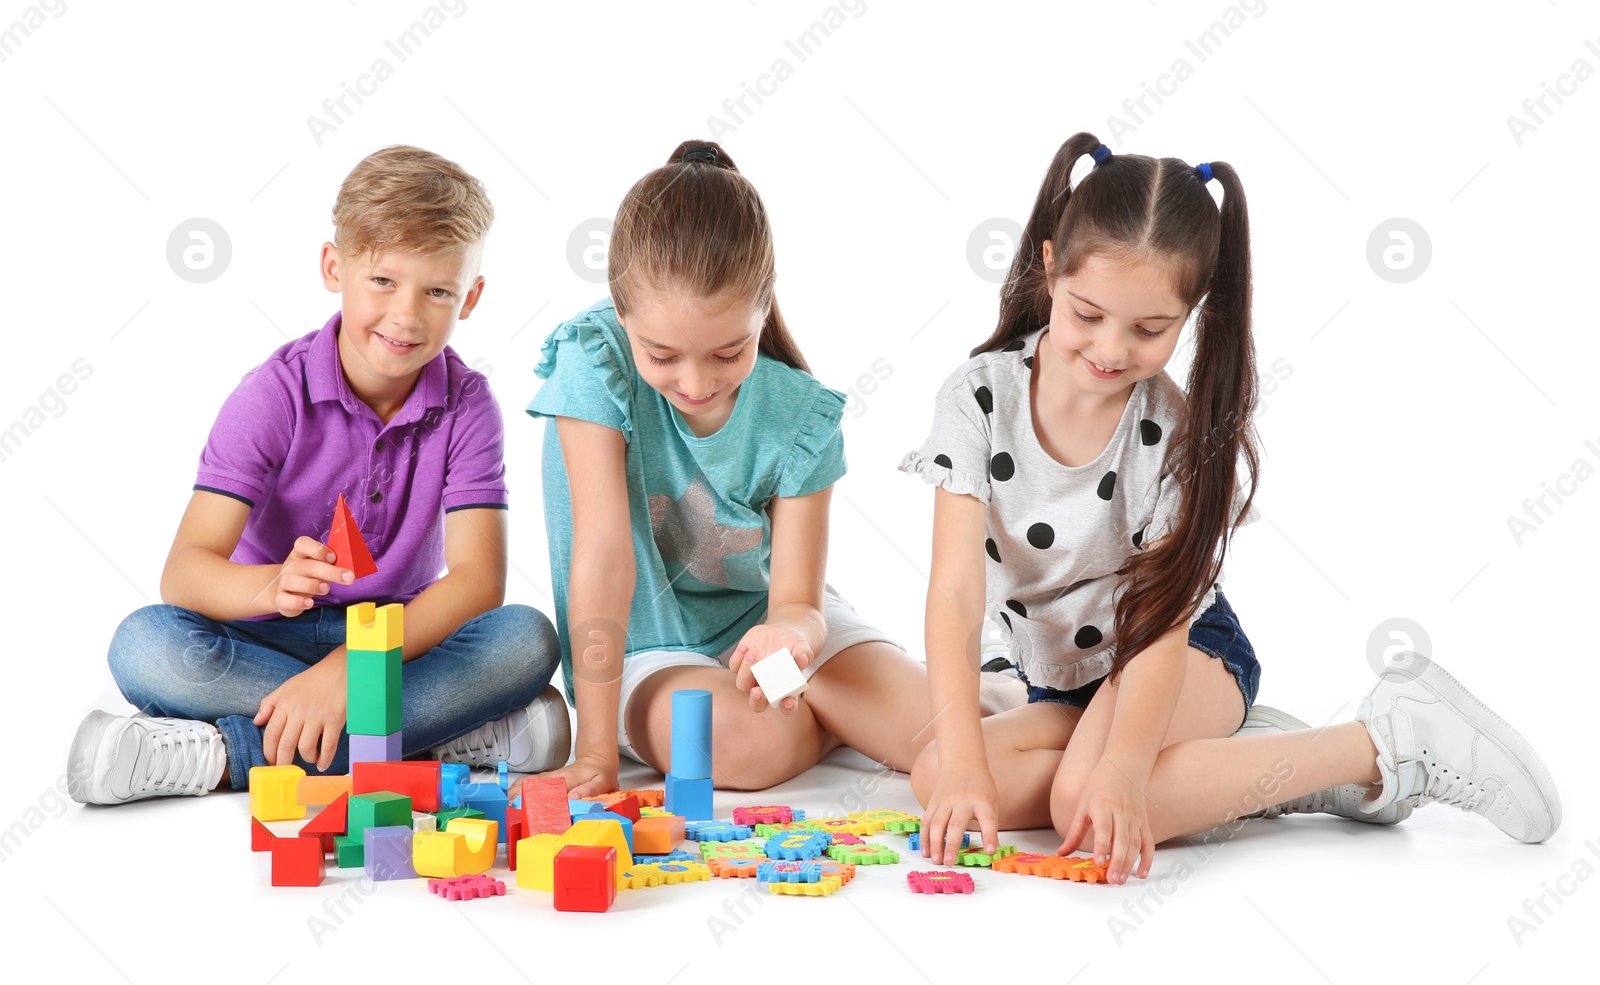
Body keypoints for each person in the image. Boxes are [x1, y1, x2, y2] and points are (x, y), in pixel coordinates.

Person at [903, 133, 1561, 884]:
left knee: (1086, 800)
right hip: (1064, 679)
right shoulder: (978, 397)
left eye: (1150, 330)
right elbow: (954, 591)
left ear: (1191, 310)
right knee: (939, 770)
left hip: (1177, 652)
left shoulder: (1173, 431)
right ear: (1050, 265)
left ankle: (1386, 743)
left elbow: (1160, 623)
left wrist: (1122, 765)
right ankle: (1239, 765)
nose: (1111, 348)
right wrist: (961, 759)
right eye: (1087, 313)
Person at [68, 145, 568, 806]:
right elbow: (186, 570)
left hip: (395, 644)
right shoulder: (273, 393)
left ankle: (222, 754)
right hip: (265, 637)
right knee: (145, 645)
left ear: (470, 297)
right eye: (383, 281)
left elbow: (479, 581)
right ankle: (436, 744)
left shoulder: (469, 405)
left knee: (527, 639)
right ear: (335, 267)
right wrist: (271, 584)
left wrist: (355, 667)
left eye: (438, 290)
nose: (407, 315)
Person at [524, 140, 1015, 800]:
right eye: (663, 355)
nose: (695, 382)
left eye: (728, 352)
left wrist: (789, 636)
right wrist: (592, 756)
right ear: (620, 307)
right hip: (645, 645)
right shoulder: (592, 360)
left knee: (946, 734)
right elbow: (604, 559)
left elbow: (798, 603)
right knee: (730, 744)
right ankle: (846, 714)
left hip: (776, 644)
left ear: (763, 306)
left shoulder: (801, 415)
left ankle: (990, 682)